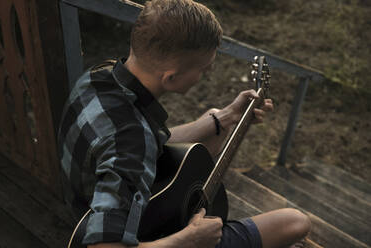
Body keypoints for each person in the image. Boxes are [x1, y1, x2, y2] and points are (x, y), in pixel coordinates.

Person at [58, 0, 311, 248]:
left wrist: (227, 116)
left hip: (92, 208)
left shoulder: (100, 76)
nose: (206, 75)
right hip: (145, 234)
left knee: (211, 120)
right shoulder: (131, 148)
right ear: (170, 77)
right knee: (295, 222)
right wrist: (189, 240)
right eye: (203, 69)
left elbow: (146, 141)